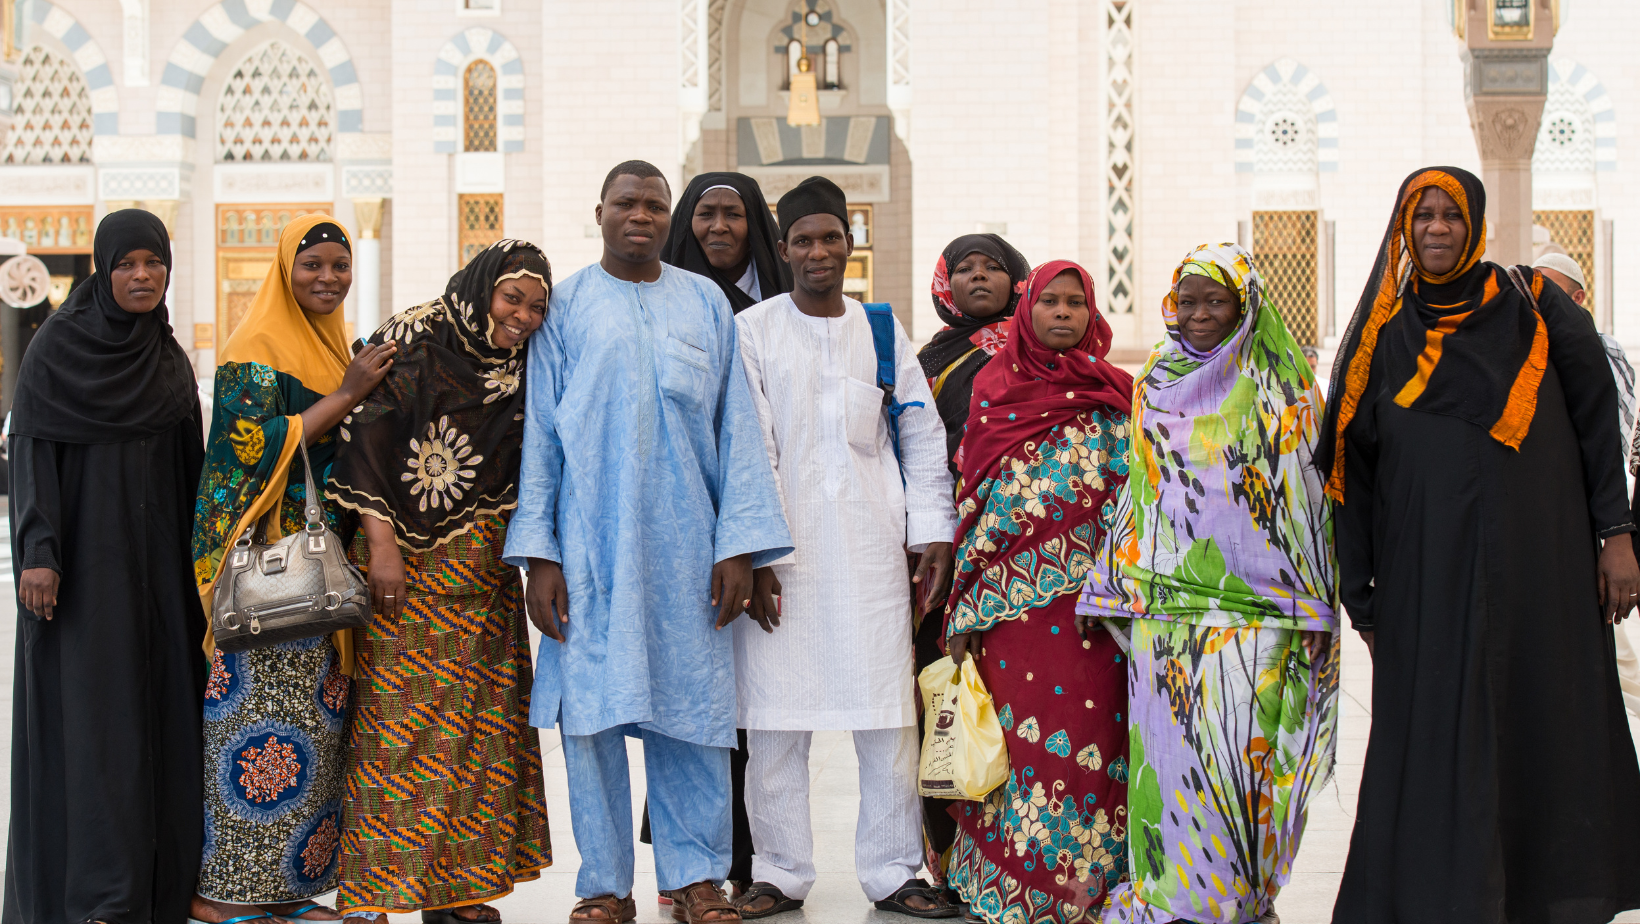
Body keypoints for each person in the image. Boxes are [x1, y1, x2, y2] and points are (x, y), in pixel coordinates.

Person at [1319, 166, 1640, 923]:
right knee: (1432, 731)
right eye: (1422, 216)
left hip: (1542, 562)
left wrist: (1617, 536)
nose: (1436, 229)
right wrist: (1359, 586)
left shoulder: (1537, 306)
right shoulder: (1382, 333)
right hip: (1425, 569)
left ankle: (1552, 895)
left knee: (1542, 711)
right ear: (1404, 227)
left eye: (1451, 216)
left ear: (1476, 223)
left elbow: (1599, 424)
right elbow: (1350, 467)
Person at [502, 160, 792, 924]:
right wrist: (541, 556)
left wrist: (740, 548)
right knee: (590, 719)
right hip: (590, 549)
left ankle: (697, 878)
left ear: (668, 218)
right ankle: (603, 883)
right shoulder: (564, 308)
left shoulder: (703, 304)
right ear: (598, 210)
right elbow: (541, 441)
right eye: (626, 202)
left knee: (693, 716)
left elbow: (738, 434)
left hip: (688, 553)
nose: (641, 215)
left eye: (654, 205)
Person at [1078, 244, 1339, 924]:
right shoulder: (1154, 384)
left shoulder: (1286, 386)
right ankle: (1171, 898)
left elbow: (1309, 504)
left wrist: (1313, 607)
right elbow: (1139, 491)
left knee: (1238, 764)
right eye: (1187, 301)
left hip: (1260, 618)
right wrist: (1107, 584)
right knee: (1168, 765)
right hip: (1166, 617)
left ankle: (1237, 897)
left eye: (1214, 301)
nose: (1197, 315)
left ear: (1244, 305)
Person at [729, 176, 959, 920]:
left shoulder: (884, 330)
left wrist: (930, 533)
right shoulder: (754, 330)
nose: (818, 251)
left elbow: (923, 435)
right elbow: (748, 445)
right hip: (784, 560)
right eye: (803, 239)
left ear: (850, 243)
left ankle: (893, 871)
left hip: (870, 554)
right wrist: (759, 553)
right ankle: (780, 871)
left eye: (832, 237)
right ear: (785, 247)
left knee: (886, 717)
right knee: (774, 721)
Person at [326, 240, 554, 921]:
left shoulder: (520, 361)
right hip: (406, 567)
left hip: (482, 576)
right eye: (512, 297)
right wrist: (382, 545)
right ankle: (376, 889)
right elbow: (363, 440)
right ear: (483, 287)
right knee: (398, 728)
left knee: (478, 734)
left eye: (537, 306)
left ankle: (458, 893)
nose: (522, 316)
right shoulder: (416, 335)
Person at [191, 215, 398, 924]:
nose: (328, 278)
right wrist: (346, 394)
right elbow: (247, 452)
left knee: (312, 737)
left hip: (325, 582)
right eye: (313, 265)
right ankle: (223, 896)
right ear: (286, 270)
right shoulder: (256, 346)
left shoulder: (335, 344)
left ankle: (290, 893)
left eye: (340, 266)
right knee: (252, 737)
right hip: (268, 580)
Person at [3, 209, 206, 924]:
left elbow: (191, 475)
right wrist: (38, 553)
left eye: (153, 262)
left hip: (160, 579)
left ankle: (159, 888)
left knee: (157, 724)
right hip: (82, 582)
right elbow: (32, 453)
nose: (142, 276)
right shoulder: (57, 351)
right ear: (103, 268)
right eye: (127, 264)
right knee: (96, 729)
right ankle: (97, 895)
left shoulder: (168, 358)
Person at [942, 260, 1135, 924]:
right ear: (1026, 312)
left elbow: (1142, 502)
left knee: (1096, 744)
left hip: (1100, 614)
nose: (1061, 313)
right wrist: (968, 604)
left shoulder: (1117, 392)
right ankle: (1013, 888)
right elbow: (974, 503)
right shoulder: (995, 389)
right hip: (1012, 616)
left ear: (1091, 315)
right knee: (1021, 749)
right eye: (1048, 302)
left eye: (1074, 303)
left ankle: (1091, 892)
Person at [650, 171, 792, 899]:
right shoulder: (665, 299)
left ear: (754, 224)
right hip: (676, 530)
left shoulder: (781, 310)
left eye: (732, 214)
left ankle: (752, 864)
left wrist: (756, 545)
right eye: (704, 213)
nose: (717, 227)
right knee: (691, 699)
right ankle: (692, 864)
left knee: (752, 705)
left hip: (755, 528)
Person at [911, 233, 1033, 895]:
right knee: (945, 698)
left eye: (994, 266)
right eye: (965, 268)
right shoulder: (926, 360)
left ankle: (1019, 855)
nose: (979, 277)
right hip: (944, 553)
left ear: (1018, 281)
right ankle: (950, 859)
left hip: (1023, 554)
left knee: (1018, 701)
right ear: (944, 283)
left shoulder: (1041, 350)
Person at [1535, 252, 1640, 718]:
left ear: (1578, 299)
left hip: (1586, 522)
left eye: (1552, 294)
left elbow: (1610, 445)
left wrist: (1611, 534)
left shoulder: (1601, 350)